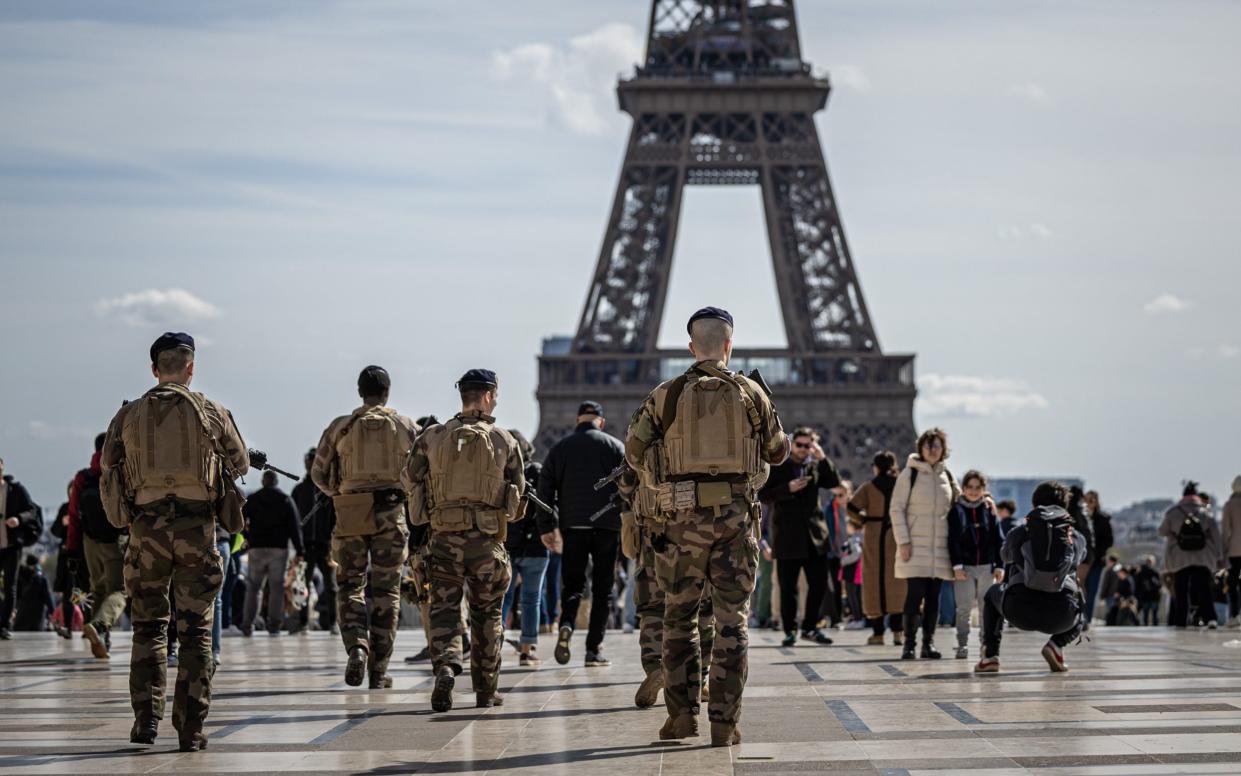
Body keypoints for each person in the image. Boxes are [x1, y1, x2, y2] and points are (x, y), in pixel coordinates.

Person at [624, 306, 789, 747]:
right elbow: (778, 453)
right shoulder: (752, 393)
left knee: (679, 617)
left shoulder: (667, 394)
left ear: (692, 346)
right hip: (736, 519)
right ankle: (725, 723)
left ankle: (681, 718)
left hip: (681, 521)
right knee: (732, 622)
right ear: (730, 345)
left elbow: (634, 452)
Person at [100, 331, 248, 750]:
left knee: (148, 628)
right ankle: (191, 728)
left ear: (153, 369)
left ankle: (146, 720)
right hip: (195, 531)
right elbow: (238, 462)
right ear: (190, 367)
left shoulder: (127, 415)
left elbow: (108, 462)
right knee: (197, 631)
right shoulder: (212, 411)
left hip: (145, 531)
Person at [403, 369, 524, 712]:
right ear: (487, 396)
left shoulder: (431, 437)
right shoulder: (504, 439)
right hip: (487, 542)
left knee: (443, 610)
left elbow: (408, 477)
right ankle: (486, 690)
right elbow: (519, 492)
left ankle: (445, 665)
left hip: (443, 538)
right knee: (488, 616)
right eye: (496, 395)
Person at [312, 365, 419, 689]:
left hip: (350, 513)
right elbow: (420, 471)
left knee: (350, 586)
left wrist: (340, 493)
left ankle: (357, 645)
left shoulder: (341, 427)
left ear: (360, 391)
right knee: (387, 590)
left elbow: (319, 472)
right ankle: (379, 668)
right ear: (387, 392)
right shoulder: (404, 426)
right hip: (391, 511)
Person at [619, 461, 715, 710]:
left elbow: (627, 485)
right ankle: (701, 677)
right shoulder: (706, 434)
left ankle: (655, 668)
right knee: (703, 607)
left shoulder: (650, 424)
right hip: (700, 533)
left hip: (656, 533)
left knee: (652, 607)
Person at [539, 400, 625, 668]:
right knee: (603, 590)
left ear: (578, 420)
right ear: (600, 421)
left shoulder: (559, 448)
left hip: (572, 526)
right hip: (606, 526)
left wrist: (547, 527)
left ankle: (566, 624)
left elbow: (544, 490)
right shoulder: (614, 446)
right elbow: (630, 485)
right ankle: (593, 649)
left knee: (573, 586)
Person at [975, 481, 1088, 674]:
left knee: (991, 593)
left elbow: (1005, 556)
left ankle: (990, 657)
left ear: (1034, 505)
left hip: (1020, 610)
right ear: (1064, 507)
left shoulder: (1020, 531)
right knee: (1080, 603)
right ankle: (1056, 645)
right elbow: (1079, 559)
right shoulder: (1075, 537)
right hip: (1061, 616)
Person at [758, 426, 841, 647]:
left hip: (815, 538)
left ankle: (810, 627)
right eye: (800, 445)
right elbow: (763, 496)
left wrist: (822, 458)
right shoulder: (777, 468)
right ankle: (790, 630)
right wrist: (788, 488)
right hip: (787, 538)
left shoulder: (815, 466)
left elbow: (834, 483)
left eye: (808, 445)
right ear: (792, 444)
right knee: (788, 588)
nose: (804, 449)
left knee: (819, 584)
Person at [891, 428, 958, 660]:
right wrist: (904, 541)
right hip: (915, 546)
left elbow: (960, 504)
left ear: (943, 450)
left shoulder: (948, 476)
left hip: (940, 547)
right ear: (921, 448)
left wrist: (987, 500)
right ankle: (909, 644)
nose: (932, 450)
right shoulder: (909, 475)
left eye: (937, 445)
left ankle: (928, 644)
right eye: (929, 445)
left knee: (933, 598)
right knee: (914, 595)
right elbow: (896, 509)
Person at [71, 433, 127, 659]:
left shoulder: (83, 477)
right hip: (115, 540)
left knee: (97, 589)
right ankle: (100, 626)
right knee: (121, 589)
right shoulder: (120, 472)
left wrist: (72, 549)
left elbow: (74, 516)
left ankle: (100, 641)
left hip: (89, 541)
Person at [501, 430, 550, 667]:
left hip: (507, 545)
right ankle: (526, 650)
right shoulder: (537, 471)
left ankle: (493, 645)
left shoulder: (500, 473)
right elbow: (548, 507)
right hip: (535, 546)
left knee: (503, 598)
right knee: (531, 600)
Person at [848, 451, 906, 646]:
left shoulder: (869, 487)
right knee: (897, 581)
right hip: (896, 533)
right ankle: (898, 631)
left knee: (873, 581)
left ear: (876, 467)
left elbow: (851, 507)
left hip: (874, 534)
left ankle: (878, 632)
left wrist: (864, 520)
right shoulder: (901, 485)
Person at [947, 470, 1003, 659]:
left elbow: (998, 539)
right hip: (965, 567)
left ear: (983, 489)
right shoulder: (956, 510)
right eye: (969, 487)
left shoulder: (989, 509)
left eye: (977, 487)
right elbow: (952, 540)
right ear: (963, 489)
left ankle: (984, 644)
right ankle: (962, 644)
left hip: (987, 566)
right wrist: (956, 566)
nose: (973, 491)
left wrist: (999, 565)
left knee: (985, 607)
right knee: (963, 608)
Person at [240, 470, 304, 636]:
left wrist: (247, 537)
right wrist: (300, 549)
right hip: (278, 550)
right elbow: (294, 527)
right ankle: (274, 625)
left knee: (253, 588)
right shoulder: (285, 500)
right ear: (276, 482)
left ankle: (248, 625)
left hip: (256, 549)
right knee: (276, 589)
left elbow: (240, 521)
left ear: (263, 481)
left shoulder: (253, 499)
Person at [1159, 481, 1223, 629]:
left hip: (1180, 557)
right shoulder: (1205, 512)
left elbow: (1162, 531)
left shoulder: (1174, 512)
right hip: (1202, 556)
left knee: (1181, 589)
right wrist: (1219, 557)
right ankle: (1211, 618)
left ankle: (1181, 620)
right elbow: (1215, 535)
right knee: (1204, 588)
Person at [293, 448, 336, 633]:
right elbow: (293, 521)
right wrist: (297, 545)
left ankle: (334, 622)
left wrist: (331, 541)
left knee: (331, 586)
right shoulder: (299, 490)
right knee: (303, 586)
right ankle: (303, 622)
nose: (309, 464)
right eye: (307, 460)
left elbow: (336, 517)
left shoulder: (329, 489)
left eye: (312, 460)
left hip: (325, 546)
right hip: (306, 546)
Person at [1, 457, 44, 639]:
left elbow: (32, 511)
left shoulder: (15, 490)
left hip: (11, 546)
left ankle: (3, 625)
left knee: (11, 586)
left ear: (2, 465)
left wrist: (18, 519)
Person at [1082, 490, 1114, 629]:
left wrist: (1097, 552)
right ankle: (1080, 617)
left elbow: (1109, 541)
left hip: (1096, 562)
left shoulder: (1102, 519)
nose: (1088, 503)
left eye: (1091, 500)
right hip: (1082, 561)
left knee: (1093, 591)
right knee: (1081, 590)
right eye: (1086, 500)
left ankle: (1087, 619)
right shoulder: (1079, 517)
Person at [14, 554, 55, 631]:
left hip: (22, 616)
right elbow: (48, 597)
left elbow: (15, 595)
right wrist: (53, 612)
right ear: (36, 564)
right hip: (37, 617)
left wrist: (14, 609)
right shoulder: (42, 579)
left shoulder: (19, 577)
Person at [1223, 476, 1241, 628]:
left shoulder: (1230, 505)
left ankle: (1235, 614)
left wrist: (1223, 549)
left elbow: (1226, 530)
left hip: (1235, 550)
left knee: (1233, 583)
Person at [1135, 555, 1162, 626]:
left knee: (1145, 614)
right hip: (1154, 596)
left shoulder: (1140, 573)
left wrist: (1137, 595)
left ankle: (1145, 626)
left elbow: (1137, 585)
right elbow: (1159, 584)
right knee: (1155, 614)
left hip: (1144, 596)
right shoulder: (1154, 572)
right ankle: (1155, 627)